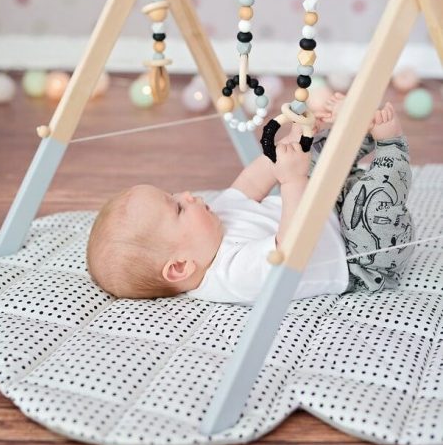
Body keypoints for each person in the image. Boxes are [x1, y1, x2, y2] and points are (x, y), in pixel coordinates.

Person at [86, 92, 415, 302]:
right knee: (367, 201)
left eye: (174, 194)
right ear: (181, 266)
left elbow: (253, 181)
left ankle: (356, 130)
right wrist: (293, 178)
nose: (187, 195)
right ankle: (390, 145)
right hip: (364, 255)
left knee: (309, 159)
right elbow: (295, 246)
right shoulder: (233, 274)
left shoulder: (213, 224)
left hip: (331, 209)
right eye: (177, 208)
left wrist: (297, 137)